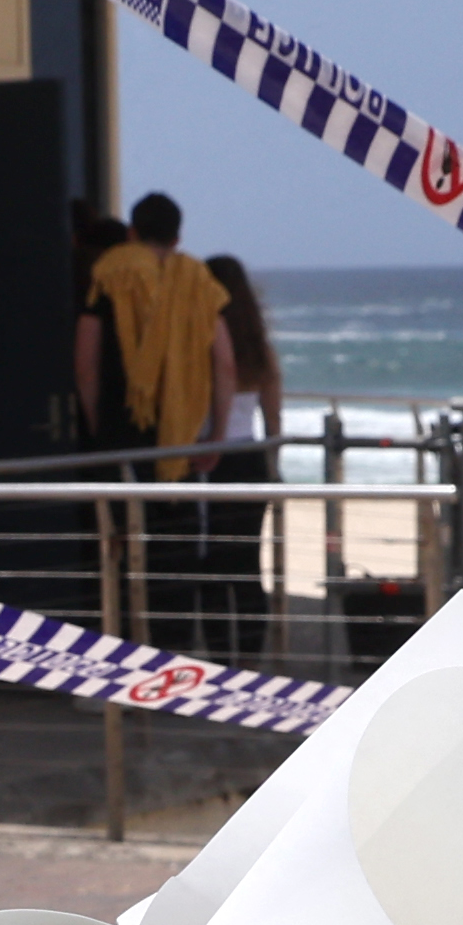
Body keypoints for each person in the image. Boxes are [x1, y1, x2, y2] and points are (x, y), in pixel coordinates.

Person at [71, 191, 228, 636]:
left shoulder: (110, 274)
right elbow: (226, 364)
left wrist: (99, 423)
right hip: (179, 439)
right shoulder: (199, 282)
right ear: (178, 236)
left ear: (133, 232)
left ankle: (120, 662)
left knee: (115, 551)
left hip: (121, 436)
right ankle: (171, 657)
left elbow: (86, 363)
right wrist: (213, 434)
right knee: (173, 552)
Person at [185, 252, 286, 654]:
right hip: (251, 455)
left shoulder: (202, 337)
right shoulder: (259, 345)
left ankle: (220, 655)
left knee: (211, 565)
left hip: (210, 453)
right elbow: (273, 412)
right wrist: (273, 465)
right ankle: (249, 654)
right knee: (246, 564)